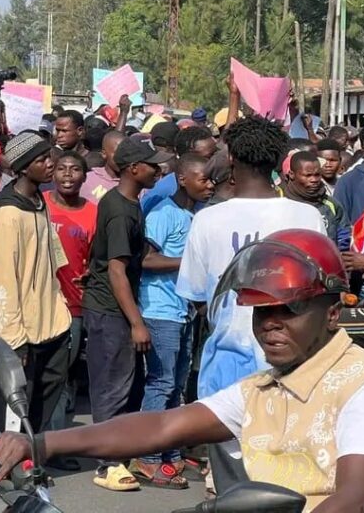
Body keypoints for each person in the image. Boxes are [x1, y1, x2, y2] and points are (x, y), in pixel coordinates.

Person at [0, 229, 364, 513]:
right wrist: (40, 442)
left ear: (331, 313)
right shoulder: (262, 389)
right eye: (261, 309)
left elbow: (354, 499)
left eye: (290, 308)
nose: (271, 322)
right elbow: (163, 427)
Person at [176, 116, 325, 491]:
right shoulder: (308, 216)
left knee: (232, 488)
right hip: (298, 368)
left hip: (225, 372)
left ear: (231, 160)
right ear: (279, 163)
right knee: (290, 487)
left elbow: (195, 296)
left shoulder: (207, 220)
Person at [82, 136, 171, 491]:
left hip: (112, 306)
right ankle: (107, 463)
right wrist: (136, 323)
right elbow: (117, 270)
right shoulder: (121, 210)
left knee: (123, 383)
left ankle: (118, 450)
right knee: (111, 388)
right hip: (110, 311)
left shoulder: (128, 203)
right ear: (134, 169)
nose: (159, 170)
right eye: (152, 165)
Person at [130, 153, 213, 489]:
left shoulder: (195, 214)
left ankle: (171, 452)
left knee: (177, 385)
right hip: (160, 310)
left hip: (184, 311)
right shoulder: (163, 212)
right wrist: (188, 262)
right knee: (161, 383)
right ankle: (147, 458)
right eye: (203, 179)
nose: (209, 185)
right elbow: (146, 259)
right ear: (182, 179)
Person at [0, 131, 72, 433]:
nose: (51, 164)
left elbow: (53, 257)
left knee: (45, 397)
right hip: (22, 330)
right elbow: (4, 282)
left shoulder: (39, 202)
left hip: (53, 323)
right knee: (17, 404)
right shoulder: (7, 215)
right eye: (42, 160)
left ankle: (32, 454)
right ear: (24, 167)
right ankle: (10, 467)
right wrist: (13, 338)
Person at [44, 151, 97, 437]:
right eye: (61, 168)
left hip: (73, 305)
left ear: (84, 176)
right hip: (38, 303)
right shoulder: (39, 206)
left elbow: (97, 257)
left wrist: (92, 273)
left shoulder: (93, 212)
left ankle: (54, 444)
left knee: (61, 376)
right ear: (52, 173)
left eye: (74, 169)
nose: (67, 174)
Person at [141, 125, 217, 215]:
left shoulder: (213, 182)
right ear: (189, 156)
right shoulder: (162, 193)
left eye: (216, 154)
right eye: (209, 156)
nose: (215, 160)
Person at [284, 151, 349, 242]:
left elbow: (344, 238)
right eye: (308, 175)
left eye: (317, 175)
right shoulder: (280, 205)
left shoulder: (331, 205)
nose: (314, 180)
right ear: (291, 174)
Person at [79, 129, 125, 203]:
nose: (122, 158)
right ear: (104, 154)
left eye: (126, 153)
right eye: (118, 153)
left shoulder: (133, 185)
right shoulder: (86, 180)